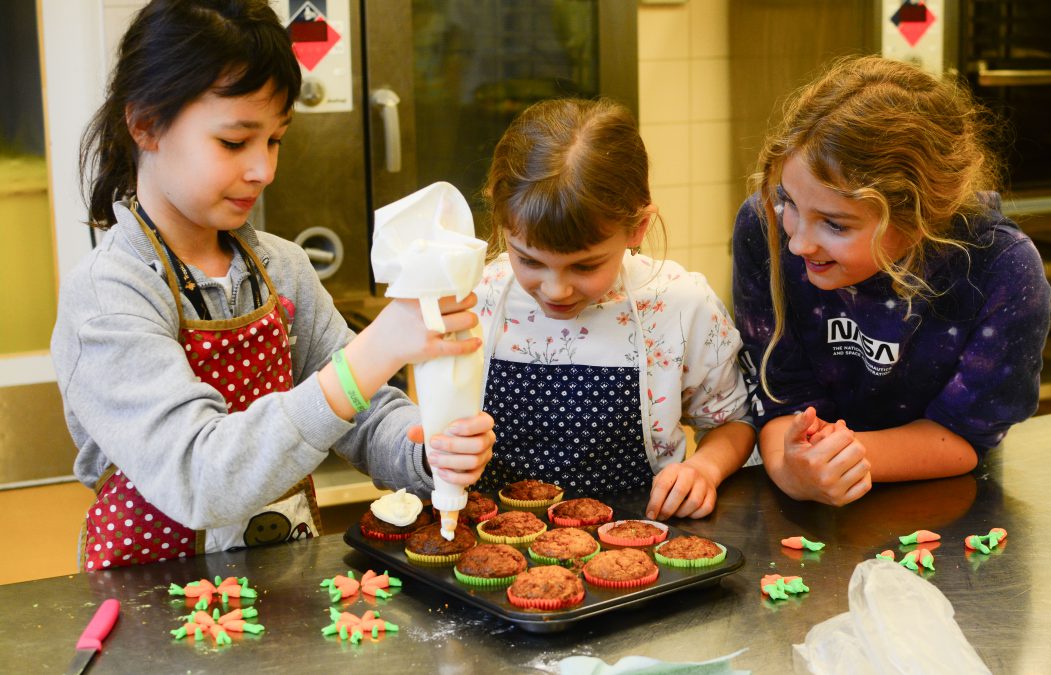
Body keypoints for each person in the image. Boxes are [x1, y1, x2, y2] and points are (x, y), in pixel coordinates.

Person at [53, 0, 494, 571]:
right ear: (144, 125)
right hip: (150, 613)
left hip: (285, 592)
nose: (263, 169)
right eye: (235, 143)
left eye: (275, 140)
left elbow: (362, 414)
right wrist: (376, 350)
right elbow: (200, 478)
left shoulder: (281, 270)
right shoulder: (109, 294)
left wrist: (428, 448)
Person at [732, 55, 1051, 506]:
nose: (798, 244)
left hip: (938, 498)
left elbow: (962, 434)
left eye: (836, 225)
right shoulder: (761, 226)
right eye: (790, 202)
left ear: (921, 219)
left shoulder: (1002, 269)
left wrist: (845, 458)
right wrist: (789, 470)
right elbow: (780, 400)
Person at [473, 98, 755, 521]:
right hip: (493, 544)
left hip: (636, 545)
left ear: (636, 228)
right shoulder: (473, 298)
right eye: (529, 260)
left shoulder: (679, 304)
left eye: (585, 265)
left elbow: (734, 421)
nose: (556, 289)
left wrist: (703, 468)